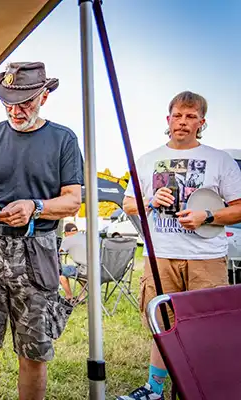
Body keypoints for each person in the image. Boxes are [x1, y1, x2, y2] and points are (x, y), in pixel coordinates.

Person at [0, 61, 84, 400]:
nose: (14, 109)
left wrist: (35, 207)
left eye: (24, 101)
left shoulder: (63, 139)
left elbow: (72, 201)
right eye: (8, 101)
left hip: (36, 253)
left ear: (44, 97)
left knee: (34, 352)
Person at [117, 91, 241, 400]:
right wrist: (150, 200)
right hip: (160, 256)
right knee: (163, 325)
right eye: (178, 115)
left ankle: (205, 389)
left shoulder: (220, 160)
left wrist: (207, 215)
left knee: (207, 330)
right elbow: (128, 203)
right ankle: (154, 389)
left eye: (190, 116)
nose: (183, 122)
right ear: (168, 119)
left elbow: (239, 206)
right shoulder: (147, 160)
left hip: (205, 258)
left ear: (202, 122)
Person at [58, 222, 85, 302]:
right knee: (84, 267)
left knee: (58, 270)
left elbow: (59, 251)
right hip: (97, 269)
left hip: (83, 270)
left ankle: (69, 297)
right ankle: (82, 297)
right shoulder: (85, 236)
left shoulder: (68, 239)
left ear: (66, 233)